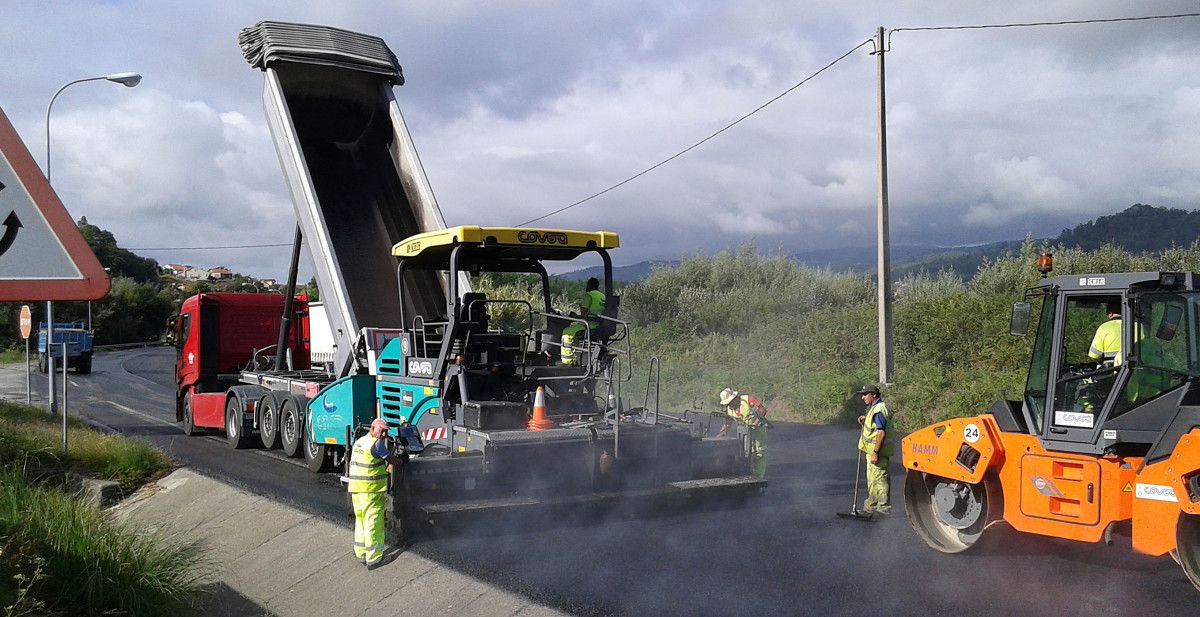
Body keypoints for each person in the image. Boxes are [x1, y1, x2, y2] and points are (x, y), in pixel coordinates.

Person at [348, 418, 401, 570]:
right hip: (370, 490)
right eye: (382, 430)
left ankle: (361, 553)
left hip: (356, 488)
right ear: (373, 428)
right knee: (373, 522)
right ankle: (374, 558)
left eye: (386, 431)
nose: (384, 434)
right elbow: (389, 458)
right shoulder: (376, 444)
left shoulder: (360, 442)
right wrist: (401, 461)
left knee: (361, 520)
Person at [857, 385, 893, 515]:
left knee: (880, 481)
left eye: (865, 394)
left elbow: (881, 433)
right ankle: (871, 507)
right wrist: (864, 419)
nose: (862, 397)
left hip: (878, 453)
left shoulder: (878, 409)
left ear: (873, 394)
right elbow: (874, 423)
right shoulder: (874, 408)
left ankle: (883, 509)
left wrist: (876, 453)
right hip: (871, 452)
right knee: (872, 481)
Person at [718, 388, 769, 479]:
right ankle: (747, 473)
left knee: (758, 452)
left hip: (757, 430)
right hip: (743, 432)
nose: (729, 405)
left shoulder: (747, 399)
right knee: (745, 452)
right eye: (727, 404)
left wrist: (757, 421)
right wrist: (718, 438)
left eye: (729, 402)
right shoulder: (729, 409)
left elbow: (763, 409)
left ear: (734, 398)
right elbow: (727, 425)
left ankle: (758, 476)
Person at [561, 277, 606, 366]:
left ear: (589, 285)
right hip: (600, 325)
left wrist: (574, 316)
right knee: (575, 335)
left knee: (567, 332)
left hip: (588, 325)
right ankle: (575, 357)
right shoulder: (603, 296)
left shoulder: (588, 295)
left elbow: (584, 315)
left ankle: (567, 361)